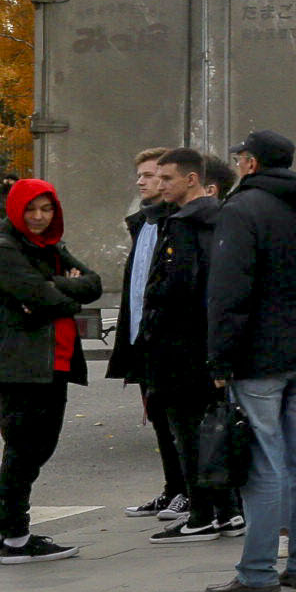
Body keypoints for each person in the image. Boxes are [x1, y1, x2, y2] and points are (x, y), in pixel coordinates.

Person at [202, 130, 296, 592]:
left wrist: (220, 357)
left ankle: (258, 571)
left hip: (258, 356)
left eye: (241, 157)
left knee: (263, 465)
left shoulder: (241, 210)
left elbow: (228, 289)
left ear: (251, 163)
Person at [140, 148, 237, 544]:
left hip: (180, 346)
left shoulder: (182, 224)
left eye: (167, 179)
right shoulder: (223, 218)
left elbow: (177, 286)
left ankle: (200, 514)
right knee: (214, 429)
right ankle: (228, 510)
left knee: (188, 431)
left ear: (192, 179)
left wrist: (153, 312)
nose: (159, 185)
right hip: (211, 341)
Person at [0, 181, 100, 563]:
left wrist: (53, 289)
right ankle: (13, 536)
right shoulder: (6, 247)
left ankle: (13, 532)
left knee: (39, 447)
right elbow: (38, 296)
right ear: (16, 209)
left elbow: (93, 284)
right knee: (24, 449)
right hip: (23, 365)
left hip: (55, 362)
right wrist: (63, 294)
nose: (39, 217)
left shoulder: (52, 246)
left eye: (46, 209)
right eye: (31, 209)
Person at [109, 148, 187, 523]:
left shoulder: (179, 224)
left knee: (178, 421)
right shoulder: (142, 223)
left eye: (151, 175)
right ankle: (172, 489)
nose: (141, 181)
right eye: (139, 174)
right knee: (157, 417)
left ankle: (189, 492)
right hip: (142, 339)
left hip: (169, 341)